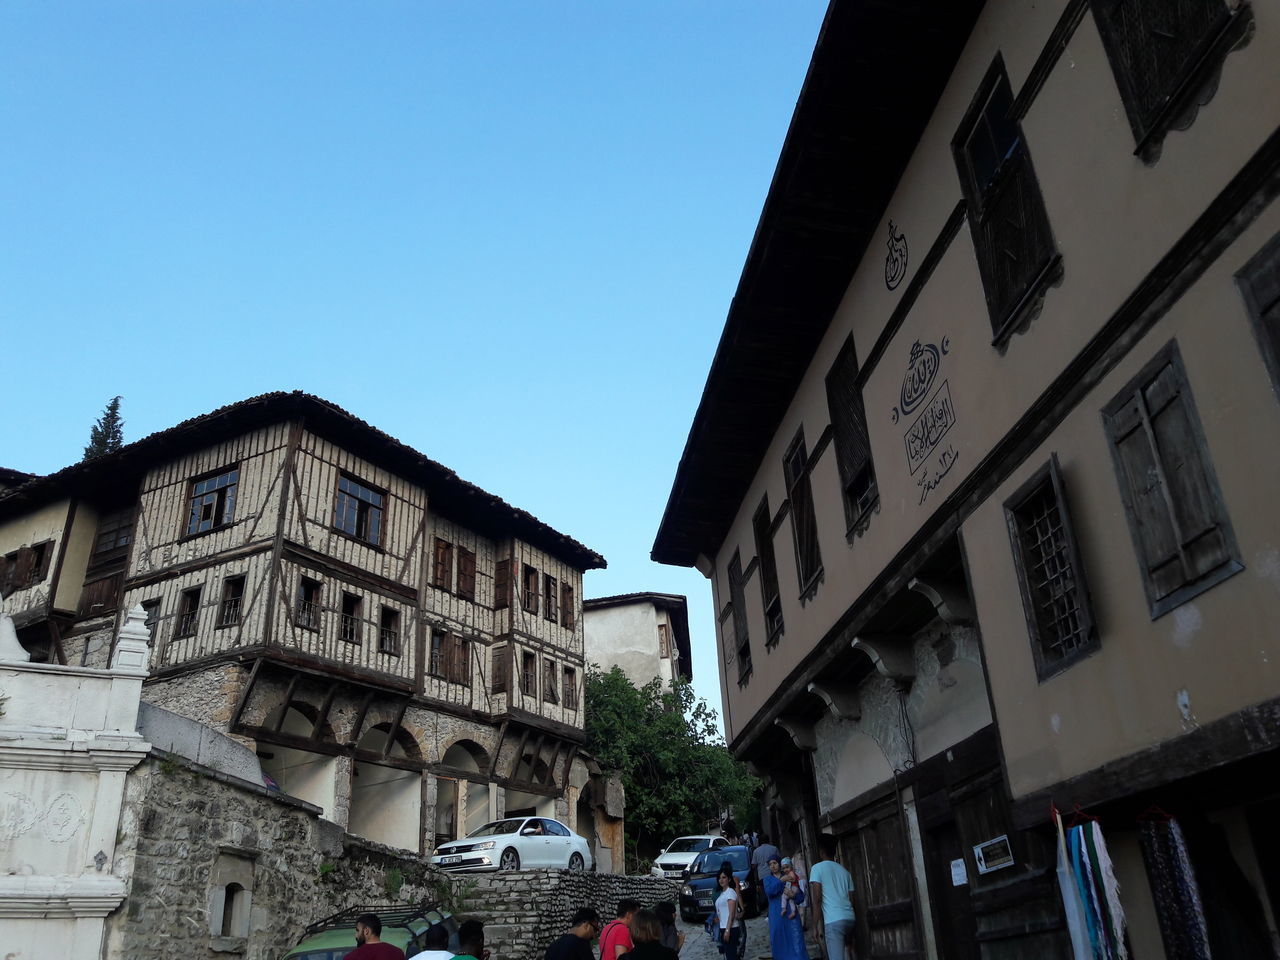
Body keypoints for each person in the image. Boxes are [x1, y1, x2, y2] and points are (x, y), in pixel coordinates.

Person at [810, 835, 856, 960]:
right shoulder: (845, 872)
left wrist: (814, 926)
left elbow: (817, 898)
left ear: (821, 852)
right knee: (849, 955)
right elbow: (852, 900)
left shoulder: (816, 868)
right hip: (850, 919)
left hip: (834, 921)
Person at [764, 857, 807, 960]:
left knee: (797, 944)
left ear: (780, 864)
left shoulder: (790, 875)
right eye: (770, 864)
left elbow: (800, 897)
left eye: (775, 863)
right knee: (778, 942)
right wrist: (780, 881)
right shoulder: (767, 880)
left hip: (791, 916)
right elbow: (770, 891)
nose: (773, 866)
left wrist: (793, 895)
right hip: (776, 916)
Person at [714, 863, 746, 960]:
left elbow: (731, 914)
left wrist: (727, 930)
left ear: (729, 879)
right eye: (720, 878)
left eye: (724, 877)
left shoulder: (730, 893)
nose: (721, 880)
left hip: (731, 928)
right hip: (723, 927)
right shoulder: (722, 894)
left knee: (732, 956)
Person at [751, 835, 780, 912]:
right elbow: (779, 860)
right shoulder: (774, 848)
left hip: (762, 876)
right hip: (773, 874)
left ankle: (769, 910)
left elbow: (754, 865)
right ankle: (776, 908)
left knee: (766, 894)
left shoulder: (756, 851)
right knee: (776, 891)